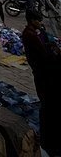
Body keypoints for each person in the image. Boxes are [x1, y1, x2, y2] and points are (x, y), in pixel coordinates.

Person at [22, 10, 61, 156]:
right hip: (44, 76)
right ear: (32, 20)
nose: (40, 23)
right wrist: (56, 54)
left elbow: (47, 45)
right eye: (38, 20)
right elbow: (46, 55)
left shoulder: (36, 32)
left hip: (45, 75)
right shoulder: (30, 35)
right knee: (49, 108)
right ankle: (50, 142)